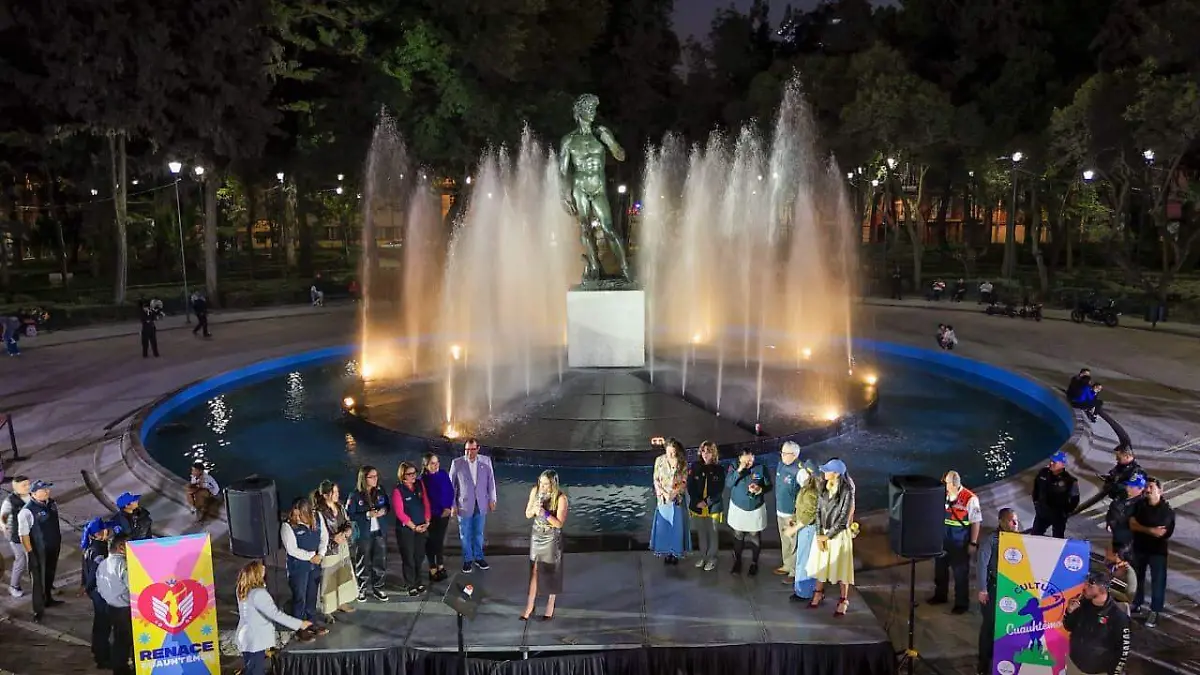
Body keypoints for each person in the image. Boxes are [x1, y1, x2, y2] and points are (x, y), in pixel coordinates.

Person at [235, 559, 313, 675]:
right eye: (261, 568)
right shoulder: (259, 594)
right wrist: (300, 624)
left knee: (251, 669)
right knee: (255, 671)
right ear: (255, 573)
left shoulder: (243, 590)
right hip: (255, 640)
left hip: (247, 638)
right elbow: (275, 614)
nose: (264, 569)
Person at [806, 459, 856, 616]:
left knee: (841, 568)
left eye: (827, 470)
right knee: (821, 564)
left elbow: (843, 519)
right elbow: (818, 511)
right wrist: (819, 533)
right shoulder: (823, 487)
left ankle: (843, 600)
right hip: (824, 534)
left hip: (838, 535)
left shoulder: (846, 491)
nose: (824, 472)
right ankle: (818, 593)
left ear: (836, 474)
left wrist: (827, 536)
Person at [929, 470, 982, 615]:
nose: (942, 484)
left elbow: (976, 522)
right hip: (943, 540)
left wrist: (973, 542)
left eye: (945, 482)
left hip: (959, 542)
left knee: (960, 574)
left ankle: (961, 604)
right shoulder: (943, 494)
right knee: (940, 570)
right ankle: (940, 596)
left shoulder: (970, 499)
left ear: (953, 484)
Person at [977, 507, 1020, 675]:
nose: (1015, 523)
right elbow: (982, 564)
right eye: (1011, 520)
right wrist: (982, 589)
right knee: (989, 627)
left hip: (1013, 589)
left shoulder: (1020, 539)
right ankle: (983, 664)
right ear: (1001, 521)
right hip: (995, 587)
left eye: (1016, 520)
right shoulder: (992, 539)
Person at [521, 470, 568, 621]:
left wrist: (544, 513)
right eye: (541, 483)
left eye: (546, 484)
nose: (542, 486)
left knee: (550, 570)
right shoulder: (535, 491)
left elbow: (559, 524)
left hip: (551, 537)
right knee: (534, 569)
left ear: (553, 484)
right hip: (537, 535)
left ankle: (550, 604)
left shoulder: (561, 498)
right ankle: (530, 605)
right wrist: (534, 509)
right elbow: (527, 514)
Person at [1063, 572, 1131, 675]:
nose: (1084, 587)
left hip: (1099, 671)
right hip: (1074, 666)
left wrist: (1115, 673)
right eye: (1085, 583)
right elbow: (1068, 627)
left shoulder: (1118, 617)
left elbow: (1123, 650)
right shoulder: (1081, 604)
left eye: (1090, 585)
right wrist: (1069, 612)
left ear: (1102, 588)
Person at [280, 497, 329, 638]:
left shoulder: (318, 517)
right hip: (298, 567)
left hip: (315, 565)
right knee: (299, 597)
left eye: (300, 514)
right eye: (294, 514)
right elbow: (292, 549)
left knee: (311, 595)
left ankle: (311, 622)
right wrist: (311, 556)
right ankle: (299, 628)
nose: (297, 517)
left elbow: (324, 537)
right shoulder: (288, 526)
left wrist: (321, 554)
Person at [1130, 476, 1174, 629]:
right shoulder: (1139, 505)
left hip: (1157, 552)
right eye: (1147, 487)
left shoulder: (1166, 512)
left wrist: (1140, 526)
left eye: (1151, 488)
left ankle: (1155, 611)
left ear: (1160, 491)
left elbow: (1160, 534)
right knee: (1137, 578)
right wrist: (1149, 529)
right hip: (1139, 548)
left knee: (1158, 582)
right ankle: (1136, 603)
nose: (1147, 490)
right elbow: (1132, 524)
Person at [449, 438, 497, 573]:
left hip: (481, 503)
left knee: (478, 533)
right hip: (463, 505)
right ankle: (467, 560)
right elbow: (451, 486)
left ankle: (479, 557)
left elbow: (491, 482)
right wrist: (452, 504)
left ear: (478, 449)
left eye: (472, 449)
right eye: (467, 450)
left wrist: (492, 499)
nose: (469, 452)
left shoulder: (485, 461)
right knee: (465, 534)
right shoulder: (457, 463)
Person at [311, 481, 357, 618]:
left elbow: (347, 521)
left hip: (342, 546)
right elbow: (318, 533)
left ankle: (342, 602)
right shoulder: (319, 512)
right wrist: (333, 538)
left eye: (337, 492)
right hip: (329, 550)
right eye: (334, 492)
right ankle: (328, 609)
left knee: (343, 574)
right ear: (326, 495)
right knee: (328, 580)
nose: (338, 494)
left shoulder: (340, 506)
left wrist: (347, 531)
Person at [18, 479, 62, 623]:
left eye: (48, 489)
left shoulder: (52, 504)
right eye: (44, 490)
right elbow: (23, 535)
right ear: (34, 493)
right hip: (38, 550)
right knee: (38, 581)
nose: (48, 492)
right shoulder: (26, 512)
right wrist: (30, 553)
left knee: (49, 574)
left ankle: (48, 599)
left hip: (52, 547)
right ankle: (38, 610)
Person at [345, 465, 390, 601]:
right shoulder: (355, 495)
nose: (375, 479)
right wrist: (367, 514)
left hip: (379, 531)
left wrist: (384, 511)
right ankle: (362, 589)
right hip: (363, 533)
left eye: (376, 476)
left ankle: (378, 588)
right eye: (372, 477)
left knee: (379, 561)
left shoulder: (380, 491)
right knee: (362, 562)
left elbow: (387, 506)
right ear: (364, 479)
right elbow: (349, 514)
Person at [727, 447, 772, 576]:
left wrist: (759, 489)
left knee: (754, 536)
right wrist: (740, 470)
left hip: (755, 507)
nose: (749, 464)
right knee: (738, 535)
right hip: (738, 507)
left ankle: (754, 563)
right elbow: (729, 483)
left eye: (751, 461)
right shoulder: (734, 467)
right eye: (746, 462)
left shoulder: (761, 467)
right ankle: (737, 561)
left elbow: (769, 486)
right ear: (739, 459)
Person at [391, 461, 431, 596]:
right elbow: (400, 513)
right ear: (403, 476)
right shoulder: (398, 491)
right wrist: (414, 527)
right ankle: (410, 584)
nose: (414, 476)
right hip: (407, 530)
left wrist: (427, 520)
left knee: (419, 555)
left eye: (415, 473)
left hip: (421, 526)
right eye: (410, 474)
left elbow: (425, 501)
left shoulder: (419, 485)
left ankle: (419, 581)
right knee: (408, 557)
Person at [784, 459, 820, 601]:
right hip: (805, 528)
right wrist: (794, 517)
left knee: (804, 561)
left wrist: (794, 529)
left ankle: (804, 593)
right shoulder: (806, 488)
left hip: (809, 530)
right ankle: (802, 590)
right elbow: (802, 509)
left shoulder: (811, 491)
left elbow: (809, 515)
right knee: (802, 559)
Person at [687, 440, 726, 572]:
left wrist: (707, 502)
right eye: (703, 451)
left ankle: (712, 558)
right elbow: (690, 485)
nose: (705, 454)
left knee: (713, 532)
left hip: (713, 506)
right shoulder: (694, 466)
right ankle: (703, 556)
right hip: (697, 506)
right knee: (701, 532)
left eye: (708, 452)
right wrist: (697, 501)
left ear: (713, 454)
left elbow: (719, 489)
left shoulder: (719, 470)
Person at [650, 438, 690, 564]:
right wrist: (662, 493)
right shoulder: (659, 460)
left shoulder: (682, 463)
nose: (671, 454)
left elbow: (684, 481)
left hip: (676, 499)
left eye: (673, 452)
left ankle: (675, 552)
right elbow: (656, 479)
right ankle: (666, 552)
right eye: (669, 452)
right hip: (663, 499)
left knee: (676, 527)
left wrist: (673, 493)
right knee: (664, 526)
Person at [80, 518, 113, 669]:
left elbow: (84, 571)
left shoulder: (89, 548)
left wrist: (86, 587)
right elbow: (94, 574)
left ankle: (98, 649)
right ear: (99, 534)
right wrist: (88, 587)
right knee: (103, 625)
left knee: (100, 624)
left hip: (96, 592)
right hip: (101, 593)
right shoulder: (99, 551)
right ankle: (102, 657)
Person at [97, 534, 132, 675]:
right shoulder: (123, 565)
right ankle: (122, 669)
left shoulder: (103, 564)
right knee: (125, 640)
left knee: (119, 638)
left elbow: (99, 587)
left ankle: (119, 667)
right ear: (121, 547)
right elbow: (133, 586)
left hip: (110, 606)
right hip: (125, 609)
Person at [1076, 445, 1142, 516]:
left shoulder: (1136, 472)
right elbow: (1115, 472)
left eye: (1119, 457)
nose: (1116, 459)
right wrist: (1109, 476)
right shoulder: (1122, 464)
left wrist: (1114, 486)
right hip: (1114, 493)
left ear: (1127, 456)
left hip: (1124, 501)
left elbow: (1131, 489)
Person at [420, 452, 454, 583]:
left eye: (437, 462)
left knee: (440, 540)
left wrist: (448, 507)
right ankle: (432, 567)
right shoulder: (423, 480)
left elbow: (450, 491)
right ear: (426, 465)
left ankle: (440, 564)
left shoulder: (443, 474)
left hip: (444, 514)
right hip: (431, 515)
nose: (436, 465)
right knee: (431, 541)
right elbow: (424, 499)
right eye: (432, 463)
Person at [1031, 451, 1079, 538]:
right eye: (1051, 461)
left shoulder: (1070, 481)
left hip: (1058, 516)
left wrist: (1065, 512)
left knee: (1058, 539)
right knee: (1035, 536)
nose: (1051, 463)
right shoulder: (1043, 473)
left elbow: (1075, 499)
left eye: (1054, 462)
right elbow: (1036, 488)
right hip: (1042, 513)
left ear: (1062, 464)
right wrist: (1036, 503)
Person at [773, 441, 802, 578]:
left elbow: (806, 493)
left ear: (795, 455)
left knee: (794, 543)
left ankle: (794, 572)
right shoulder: (781, 465)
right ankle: (787, 565)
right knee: (785, 540)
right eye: (782, 453)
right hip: (780, 510)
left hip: (792, 514)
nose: (783, 456)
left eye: (786, 453)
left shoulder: (800, 472)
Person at [1, 475, 31, 597]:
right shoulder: (10, 501)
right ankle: (14, 586)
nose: (27, 487)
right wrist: (4, 527)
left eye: (28, 484)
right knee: (21, 561)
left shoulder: (32, 496)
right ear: (15, 487)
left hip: (32, 535)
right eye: (24, 485)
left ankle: (43, 584)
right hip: (16, 537)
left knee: (36, 560)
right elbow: (3, 516)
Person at [1104, 473, 1146, 552]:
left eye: (1131, 487)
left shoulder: (1143, 505)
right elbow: (1112, 512)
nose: (1127, 488)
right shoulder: (1121, 497)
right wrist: (1110, 523)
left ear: (1140, 489)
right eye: (1127, 485)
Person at [1106, 545, 1138, 611]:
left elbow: (1128, 598)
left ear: (1116, 555)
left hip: (1119, 606)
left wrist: (1108, 589)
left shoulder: (1129, 573)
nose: (1106, 554)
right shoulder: (1113, 566)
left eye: (1108, 552)